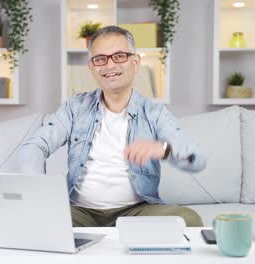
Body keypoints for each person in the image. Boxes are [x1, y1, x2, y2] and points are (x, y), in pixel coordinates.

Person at [19, 26, 206, 227]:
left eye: (119, 56)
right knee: (31, 220)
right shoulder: (74, 108)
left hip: (136, 211)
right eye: (100, 59)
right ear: (92, 67)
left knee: (188, 220)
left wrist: (161, 149)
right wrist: (35, 195)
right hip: (79, 212)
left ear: (135, 63)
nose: (109, 65)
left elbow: (196, 159)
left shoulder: (154, 112)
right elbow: (35, 145)